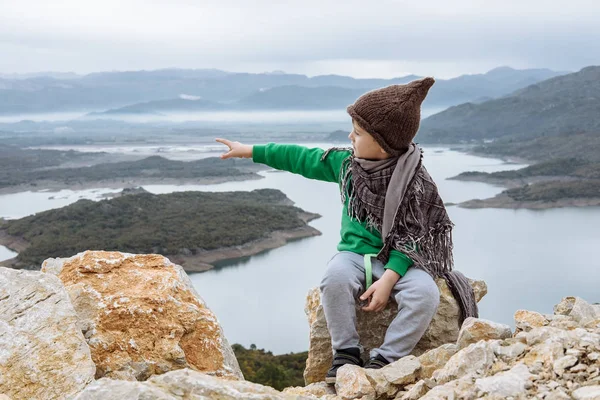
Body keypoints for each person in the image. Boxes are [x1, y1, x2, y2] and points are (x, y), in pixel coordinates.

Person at [216, 77, 477, 384]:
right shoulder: (346, 165)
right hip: (355, 256)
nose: (350, 136)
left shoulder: (414, 180)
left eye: (358, 132)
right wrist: (250, 151)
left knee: (426, 294)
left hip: (403, 262)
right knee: (334, 278)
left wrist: (389, 279)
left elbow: (415, 237)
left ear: (381, 143)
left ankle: (386, 360)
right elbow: (301, 158)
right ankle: (346, 352)